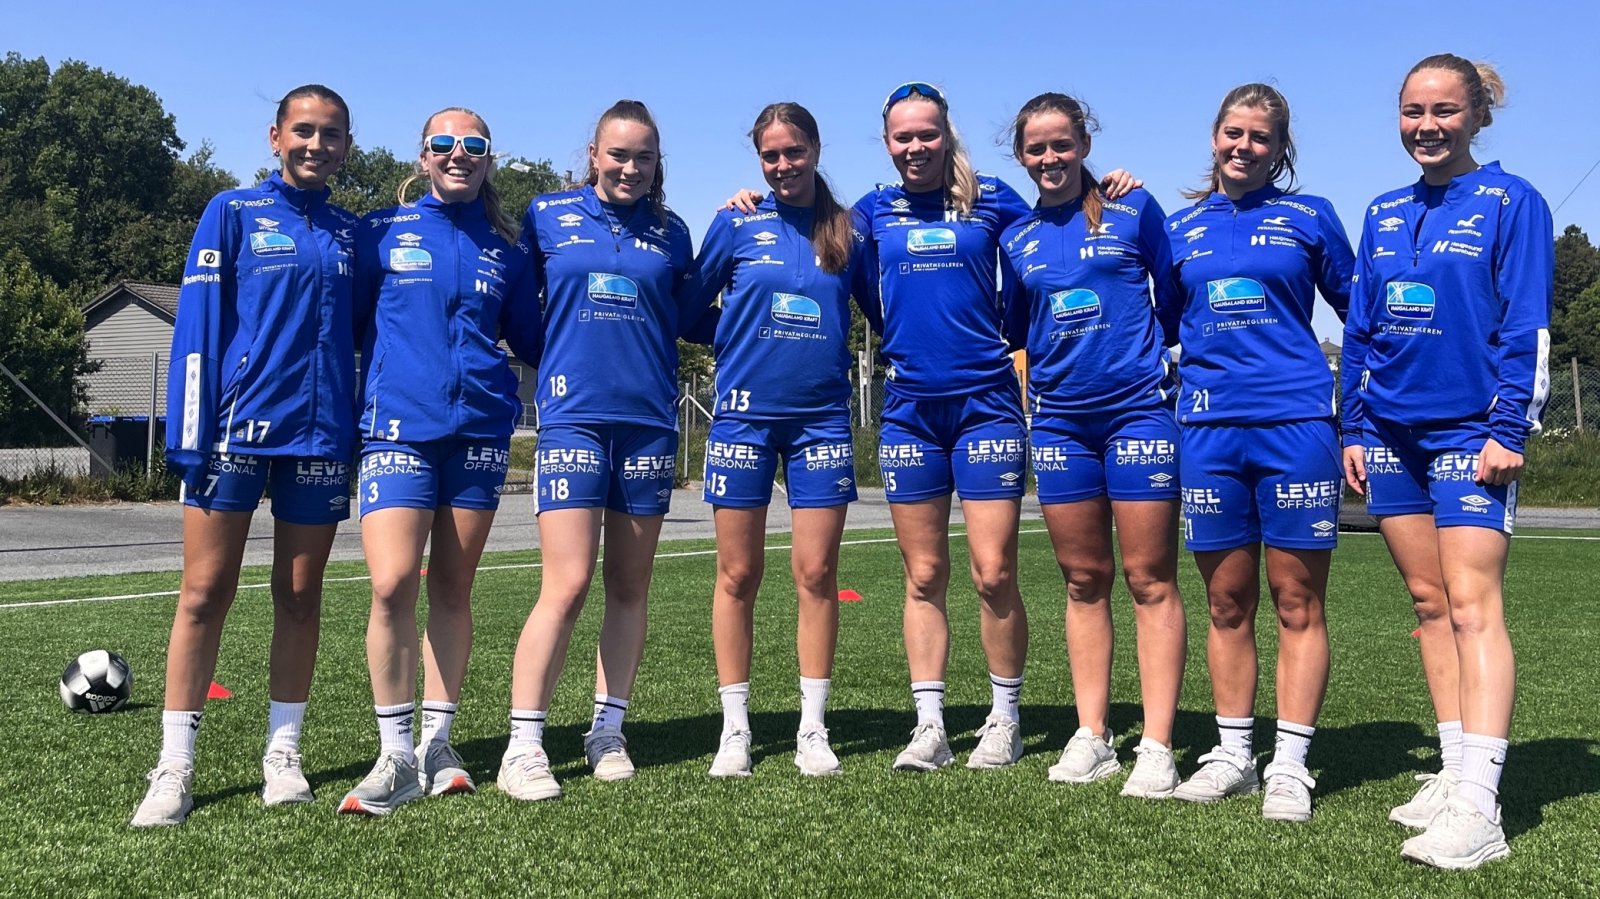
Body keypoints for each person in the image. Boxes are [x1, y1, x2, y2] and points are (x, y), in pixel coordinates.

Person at [1341, 55, 1550, 869]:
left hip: (1472, 433)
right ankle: (1455, 769)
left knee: (1472, 606)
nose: (1426, 126)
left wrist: (1511, 426)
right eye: (1413, 111)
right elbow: (1362, 327)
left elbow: (1526, 323)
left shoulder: (1512, 200)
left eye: (1443, 111)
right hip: (1390, 435)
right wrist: (1353, 426)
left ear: (1477, 117)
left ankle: (1480, 806)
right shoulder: (1383, 210)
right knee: (1430, 605)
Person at [132, 85, 360, 827]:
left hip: (320, 436)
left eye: (331, 134)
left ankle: (282, 754)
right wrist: (188, 434)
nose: (316, 145)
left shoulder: (353, 233)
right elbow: (197, 324)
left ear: (347, 147)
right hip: (233, 433)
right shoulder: (231, 212)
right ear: (275, 137)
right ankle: (174, 765)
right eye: (304, 131)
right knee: (204, 593)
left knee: (299, 596)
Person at [337, 108, 543, 815]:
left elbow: (533, 337)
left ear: (489, 158)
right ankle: (394, 753)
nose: (459, 153)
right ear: (423, 157)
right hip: (397, 426)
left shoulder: (507, 248)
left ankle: (437, 742)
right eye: (444, 144)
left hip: (479, 430)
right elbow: (347, 325)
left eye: (473, 144)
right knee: (393, 582)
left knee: (453, 587)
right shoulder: (379, 232)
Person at [497, 100, 697, 801]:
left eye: (643, 157)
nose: (630, 168)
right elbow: (521, 312)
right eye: (618, 154)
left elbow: (690, 316)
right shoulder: (547, 215)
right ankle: (524, 744)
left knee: (630, 586)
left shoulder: (673, 232)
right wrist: (557, 364)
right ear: (593, 154)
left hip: (648, 423)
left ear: (657, 162)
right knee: (568, 581)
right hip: (574, 420)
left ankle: (608, 730)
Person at [1165, 83, 1354, 821]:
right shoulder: (1179, 228)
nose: (1244, 146)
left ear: (1280, 149)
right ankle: (1235, 753)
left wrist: (1359, 417)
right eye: (1233, 133)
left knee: (1297, 600)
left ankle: (1291, 764)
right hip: (1208, 432)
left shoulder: (1312, 217)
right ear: (1214, 137)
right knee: (1225, 601)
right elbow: (1160, 325)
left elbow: (1362, 315)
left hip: (1297, 426)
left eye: (1260, 137)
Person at [998, 92, 1186, 796]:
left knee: (1149, 578)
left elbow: (1174, 299)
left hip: (1137, 415)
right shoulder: (1017, 237)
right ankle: (1093, 734)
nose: (1050, 157)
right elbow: (1019, 325)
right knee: (1082, 580)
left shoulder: (1134, 208)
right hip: (1060, 424)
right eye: (1036, 148)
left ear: (1083, 143)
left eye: (1061, 144)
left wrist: (1150, 361)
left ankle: (1158, 744)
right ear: (1021, 156)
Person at [684, 102, 879, 778]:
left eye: (794, 151)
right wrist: (735, 336)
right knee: (737, 574)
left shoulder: (849, 230)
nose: (783, 165)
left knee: (817, 574)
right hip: (742, 419)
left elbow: (881, 312)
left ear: (816, 150)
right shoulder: (735, 222)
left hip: (821, 421)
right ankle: (735, 728)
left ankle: (812, 728)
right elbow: (687, 309)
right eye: (770, 155)